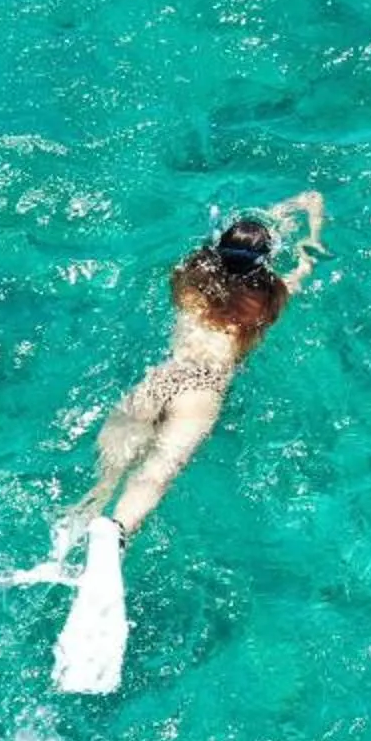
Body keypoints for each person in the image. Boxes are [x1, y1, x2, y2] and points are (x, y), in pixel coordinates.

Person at [69, 191, 326, 545]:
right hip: (202, 388)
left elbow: (204, 262)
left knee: (104, 481)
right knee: (156, 474)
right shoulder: (265, 303)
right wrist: (311, 229)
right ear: (265, 265)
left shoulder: (191, 286)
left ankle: (76, 528)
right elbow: (306, 258)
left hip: (164, 376)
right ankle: (115, 535)